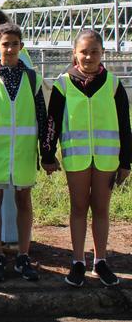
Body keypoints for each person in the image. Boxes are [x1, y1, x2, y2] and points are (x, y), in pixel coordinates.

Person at [44, 29, 131, 287]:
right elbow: (52, 123)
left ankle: (100, 261)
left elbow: (125, 126)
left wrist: (126, 161)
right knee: (79, 208)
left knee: (101, 209)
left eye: (94, 51)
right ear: (74, 54)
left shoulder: (114, 85)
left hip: (106, 159)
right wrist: (47, 154)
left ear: (102, 53)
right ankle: (78, 261)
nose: (89, 56)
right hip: (77, 158)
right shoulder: (63, 84)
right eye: (84, 51)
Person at [0, 24, 47, 282]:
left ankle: (23, 257)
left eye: (15, 44)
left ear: (21, 47)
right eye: (5, 44)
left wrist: (46, 152)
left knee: (24, 201)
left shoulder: (32, 78)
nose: (10, 48)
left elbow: (42, 117)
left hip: (24, 152)